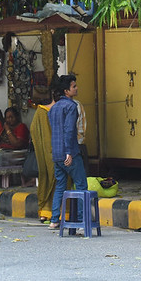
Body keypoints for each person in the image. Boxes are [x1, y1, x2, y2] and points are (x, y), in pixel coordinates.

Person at [48, 74, 88, 230]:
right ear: (66, 91)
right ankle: (79, 222)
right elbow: (69, 130)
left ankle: (54, 220)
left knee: (60, 186)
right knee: (81, 185)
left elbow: (56, 130)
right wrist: (69, 152)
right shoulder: (71, 106)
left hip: (56, 153)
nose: (76, 88)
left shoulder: (53, 108)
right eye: (74, 86)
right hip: (68, 152)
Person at [31, 93, 57, 222]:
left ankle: (47, 214)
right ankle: (60, 215)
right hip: (61, 153)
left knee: (50, 180)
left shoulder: (40, 113)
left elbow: (34, 132)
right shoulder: (43, 112)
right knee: (58, 182)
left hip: (49, 155)